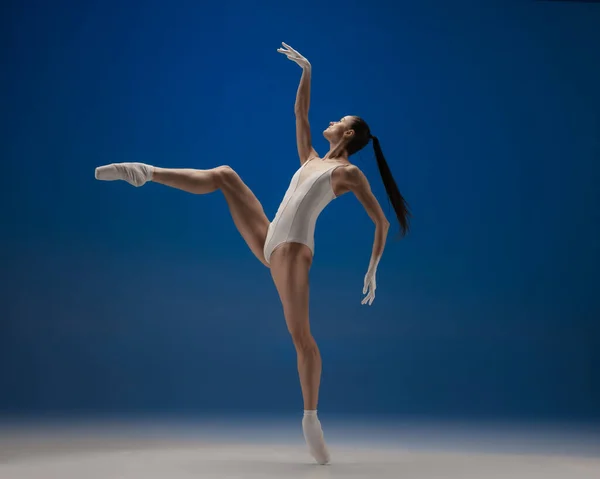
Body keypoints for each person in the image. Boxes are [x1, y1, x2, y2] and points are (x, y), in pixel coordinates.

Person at [95, 42, 410, 465]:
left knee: (303, 339)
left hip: (294, 253)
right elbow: (300, 114)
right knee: (226, 175)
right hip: (271, 242)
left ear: (349, 134)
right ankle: (145, 173)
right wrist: (307, 71)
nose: (331, 122)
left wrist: (373, 268)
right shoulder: (311, 159)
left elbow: (382, 221)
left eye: (340, 121)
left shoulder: (346, 173)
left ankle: (311, 419)